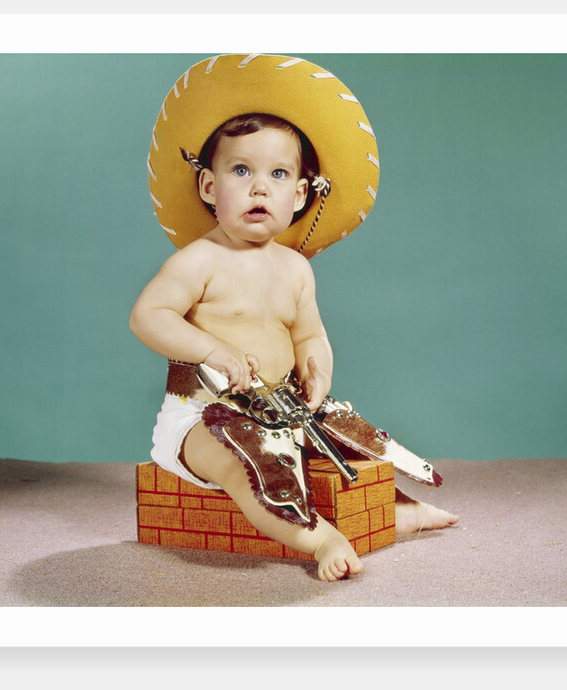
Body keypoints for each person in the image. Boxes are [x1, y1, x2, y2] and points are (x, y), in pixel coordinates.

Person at [130, 55, 458, 582]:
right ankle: (319, 539)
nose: (259, 187)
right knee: (244, 463)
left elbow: (311, 334)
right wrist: (212, 350)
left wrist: (318, 370)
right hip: (204, 418)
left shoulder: (295, 268)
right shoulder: (199, 260)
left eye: (278, 174)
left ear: (300, 195)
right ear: (209, 188)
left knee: (349, 442)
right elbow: (148, 317)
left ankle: (401, 511)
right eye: (241, 171)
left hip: (281, 409)